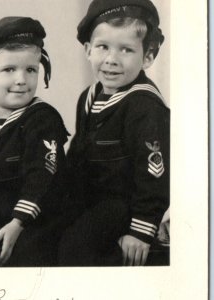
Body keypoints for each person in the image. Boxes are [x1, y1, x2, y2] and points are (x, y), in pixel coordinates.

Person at [58, 0, 170, 266]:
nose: (111, 60)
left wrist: (141, 231)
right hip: (87, 198)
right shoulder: (89, 96)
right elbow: (78, 152)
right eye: (103, 47)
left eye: (126, 50)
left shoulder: (144, 105)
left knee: (75, 248)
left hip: (122, 205)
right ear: (88, 50)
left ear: (148, 56)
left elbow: (153, 174)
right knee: (44, 233)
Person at [0, 16, 69, 267]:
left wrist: (18, 222)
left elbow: (43, 177)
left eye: (30, 70)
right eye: (9, 70)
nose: (21, 79)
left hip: (31, 226)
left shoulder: (41, 119)